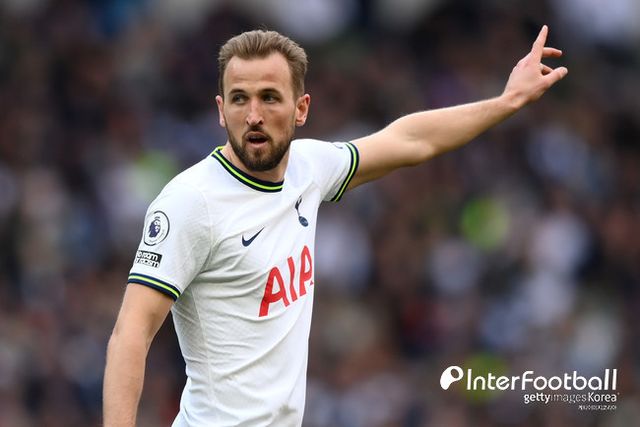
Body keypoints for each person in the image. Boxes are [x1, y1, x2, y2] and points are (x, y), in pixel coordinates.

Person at [103, 26, 567, 426]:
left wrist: (506, 102)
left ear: (301, 108)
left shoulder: (308, 168)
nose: (254, 115)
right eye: (240, 99)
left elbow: (410, 140)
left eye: (270, 97)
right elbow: (131, 333)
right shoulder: (191, 202)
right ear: (221, 110)